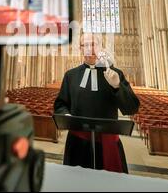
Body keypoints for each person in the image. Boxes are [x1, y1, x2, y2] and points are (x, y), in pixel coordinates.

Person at [54, 33, 140, 173]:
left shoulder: (114, 74)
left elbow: (132, 108)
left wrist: (117, 86)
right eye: (85, 45)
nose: (89, 48)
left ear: (101, 47)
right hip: (77, 143)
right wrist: (66, 115)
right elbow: (60, 104)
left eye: (93, 44)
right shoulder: (71, 75)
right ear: (80, 49)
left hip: (107, 142)